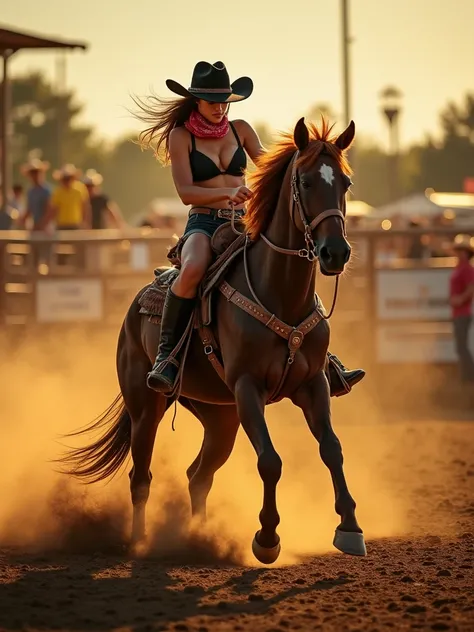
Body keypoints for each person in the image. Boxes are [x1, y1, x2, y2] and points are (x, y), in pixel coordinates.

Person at [135, 60, 365, 394]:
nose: (220, 108)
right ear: (196, 101)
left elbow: (270, 167)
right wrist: (227, 192)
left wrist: (310, 157)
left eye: (224, 101)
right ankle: (166, 356)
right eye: (213, 102)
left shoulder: (240, 129)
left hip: (244, 222)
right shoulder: (181, 136)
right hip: (203, 221)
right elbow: (186, 193)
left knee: (283, 267)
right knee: (194, 267)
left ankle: (324, 358)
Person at [449, 235, 474, 382]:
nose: (458, 253)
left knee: (462, 347)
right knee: (460, 346)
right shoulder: (461, 268)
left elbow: (471, 288)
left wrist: (459, 299)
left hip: (462, 312)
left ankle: (469, 377)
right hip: (459, 312)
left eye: (460, 250)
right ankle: (466, 377)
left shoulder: (466, 269)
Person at [40, 164, 91, 230]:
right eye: (65, 178)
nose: (67, 181)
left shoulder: (80, 189)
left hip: (76, 225)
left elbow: (85, 207)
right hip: (61, 225)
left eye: (68, 178)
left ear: (73, 178)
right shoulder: (58, 192)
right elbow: (52, 211)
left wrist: (86, 223)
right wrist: (45, 224)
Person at [19, 158, 52, 231]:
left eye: (37, 172)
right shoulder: (30, 191)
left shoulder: (46, 190)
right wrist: (22, 220)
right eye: (32, 173)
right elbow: (29, 209)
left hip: (46, 228)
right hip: (35, 226)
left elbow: (49, 211)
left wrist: (42, 225)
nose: (35, 175)